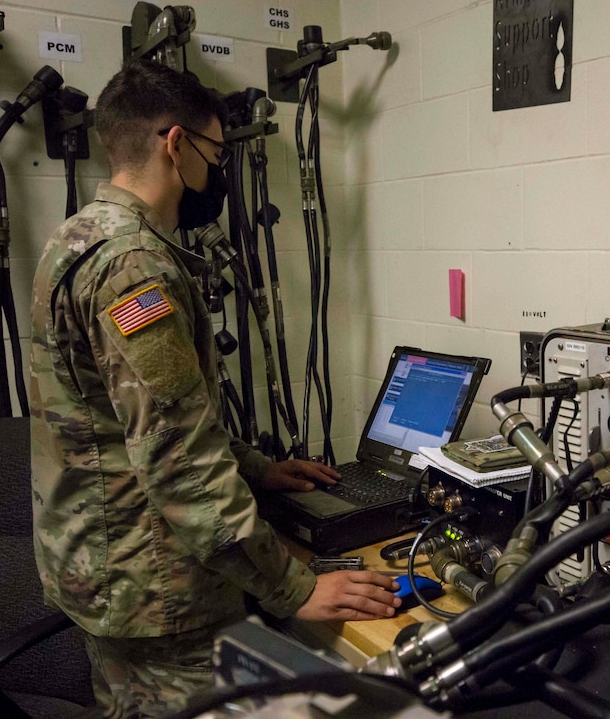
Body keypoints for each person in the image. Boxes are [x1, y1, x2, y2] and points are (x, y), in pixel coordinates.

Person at [28, 59, 399, 718]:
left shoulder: (72, 240)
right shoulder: (134, 266)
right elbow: (178, 462)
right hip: (158, 593)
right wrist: (293, 588)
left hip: (100, 570)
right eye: (215, 154)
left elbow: (138, 416)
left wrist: (257, 466)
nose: (216, 174)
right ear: (175, 144)